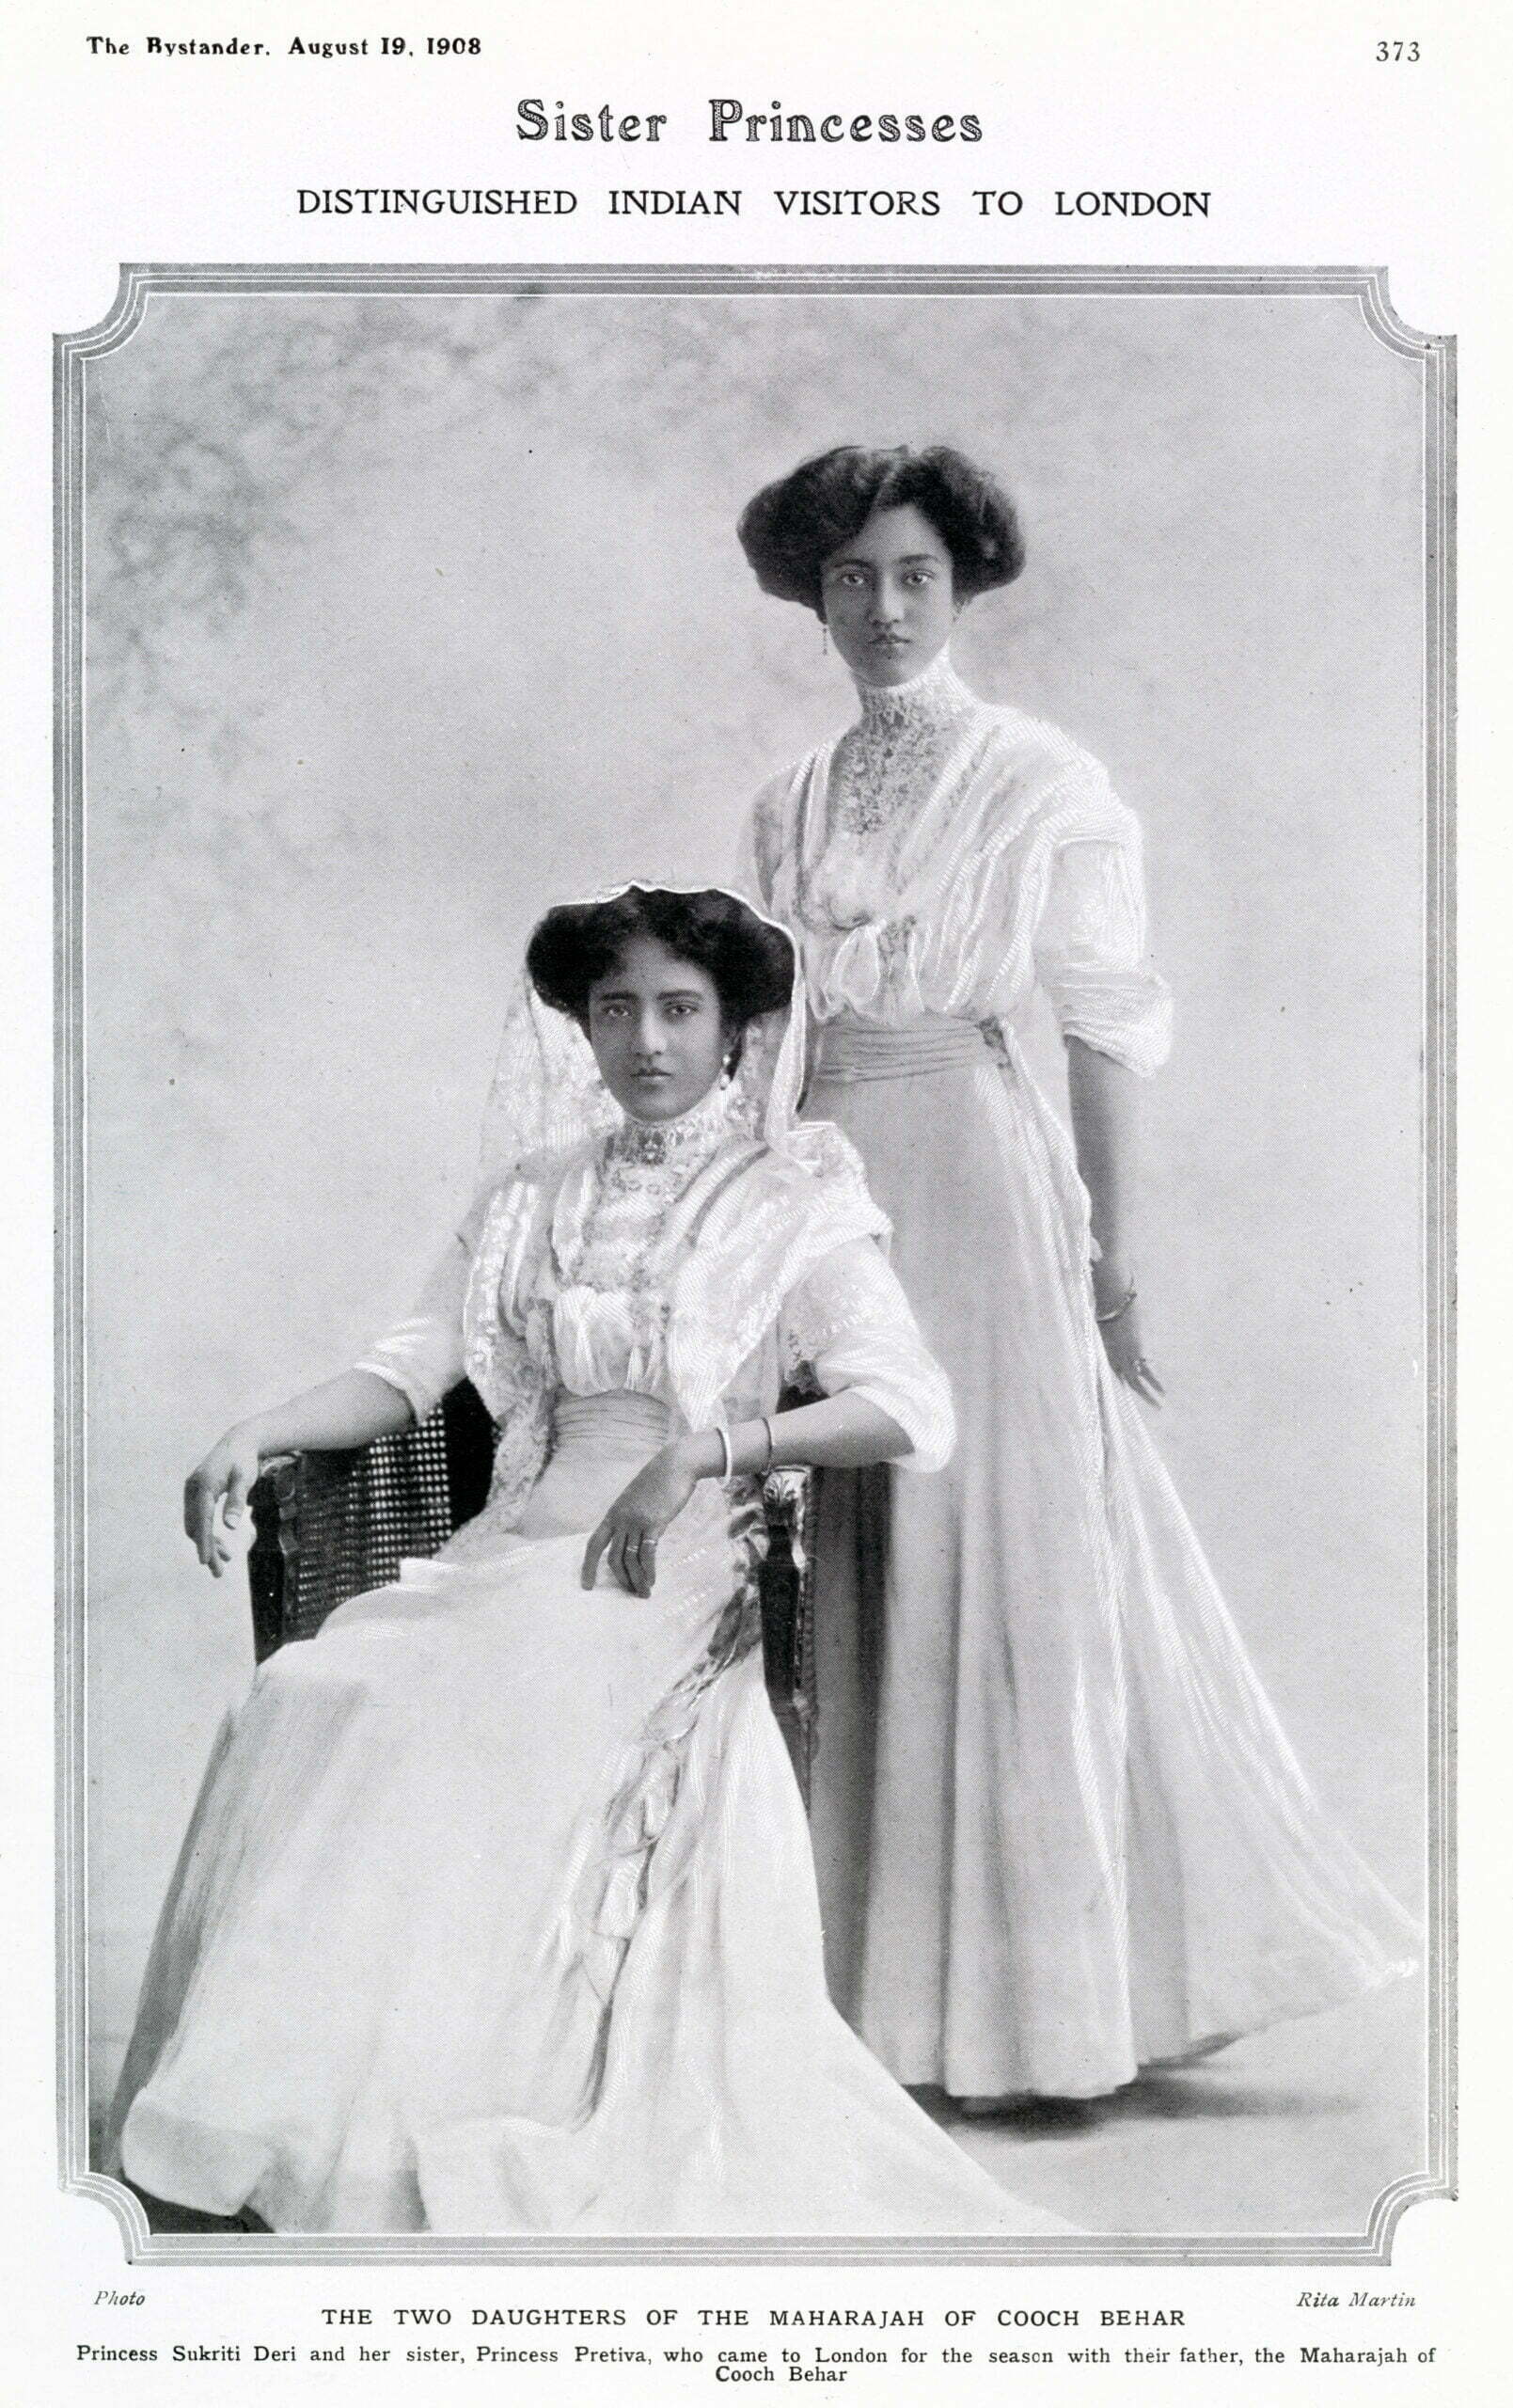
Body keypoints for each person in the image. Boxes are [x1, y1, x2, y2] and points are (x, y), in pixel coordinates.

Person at [107, 884, 1071, 2236]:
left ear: (735, 1031)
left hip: (665, 1581)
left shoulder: (790, 1198)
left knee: (434, 1713)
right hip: (512, 1558)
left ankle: (412, 2127)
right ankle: (306, 2123)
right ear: (580, 1022)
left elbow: (908, 1404)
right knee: (318, 1692)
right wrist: (257, 1427)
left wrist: (704, 1451)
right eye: (615, 1008)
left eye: (681, 1009)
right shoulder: (533, 1194)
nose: (647, 1040)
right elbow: (409, 1369)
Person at [735, 444, 1415, 2112]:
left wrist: (1110, 1266)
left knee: (994, 1541)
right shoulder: (787, 799)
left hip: (974, 1169)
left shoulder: (1043, 778)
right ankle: (853, 2004)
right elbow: (774, 1042)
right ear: (809, 591)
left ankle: (1029, 2020)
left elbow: (1100, 1027)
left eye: (911, 578)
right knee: (842, 1554)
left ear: (961, 586)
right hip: (823, 1180)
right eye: (849, 580)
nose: (881, 612)